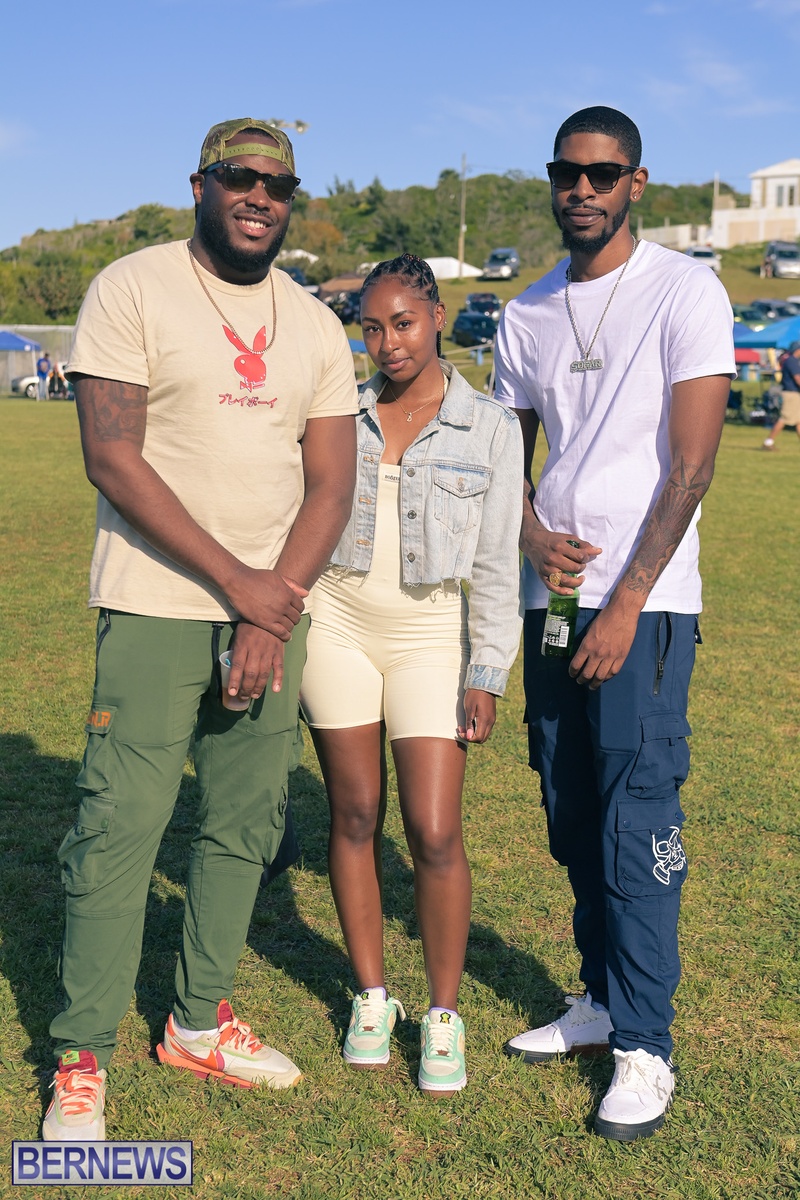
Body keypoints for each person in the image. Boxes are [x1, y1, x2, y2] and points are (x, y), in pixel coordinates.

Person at [42, 118, 358, 1141]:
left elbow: (331, 482)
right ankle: (82, 1057)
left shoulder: (313, 322)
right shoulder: (132, 287)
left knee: (242, 825)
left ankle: (196, 1021)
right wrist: (239, 585)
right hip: (155, 604)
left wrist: (274, 602)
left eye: (278, 184)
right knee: (118, 829)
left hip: (275, 610)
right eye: (240, 176)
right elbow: (112, 458)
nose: (260, 195)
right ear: (200, 184)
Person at [494, 107, 734, 1141]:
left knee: (638, 818)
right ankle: (595, 998)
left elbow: (692, 463)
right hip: (552, 599)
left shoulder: (685, 288)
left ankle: (645, 1045)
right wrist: (526, 533)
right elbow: (503, 454)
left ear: (636, 181)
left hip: (644, 602)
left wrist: (627, 600)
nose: (582, 189)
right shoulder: (526, 311)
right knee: (568, 803)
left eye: (603, 173)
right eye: (567, 172)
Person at [299, 254, 523, 1097]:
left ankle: (442, 1013)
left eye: (402, 322)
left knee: (432, 829)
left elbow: (497, 562)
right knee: (355, 812)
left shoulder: (489, 425)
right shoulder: (342, 414)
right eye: (371, 327)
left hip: (433, 634)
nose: (388, 342)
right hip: (338, 624)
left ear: (437, 317)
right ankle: (370, 996)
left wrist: (487, 671)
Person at [762, 340, 800, 448]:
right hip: (791, 394)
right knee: (784, 418)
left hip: (793, 394)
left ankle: (768, 442)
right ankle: (768, 442)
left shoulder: (792, 361)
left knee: (798, 420)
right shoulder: (792, 361)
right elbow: (798, 378)